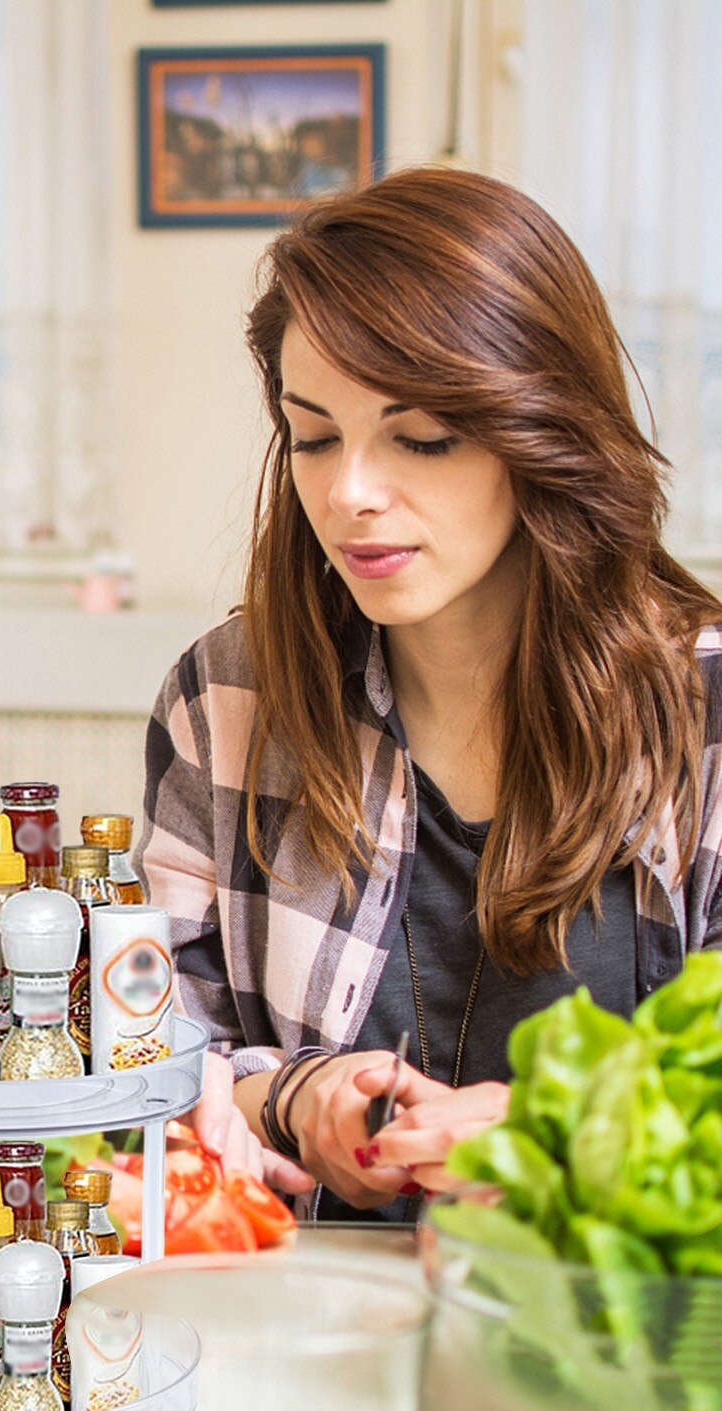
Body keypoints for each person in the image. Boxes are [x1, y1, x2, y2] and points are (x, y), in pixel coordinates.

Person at [139, 166, 722, 1220]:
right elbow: (152, 1047)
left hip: (627, 1350)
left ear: (539, 431)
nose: (349, 490)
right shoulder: (223, 696)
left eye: (423, 438)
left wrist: (560, 1129)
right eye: (312, 437)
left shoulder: (704, 710)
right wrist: (296, 1099)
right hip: (311, 1326)